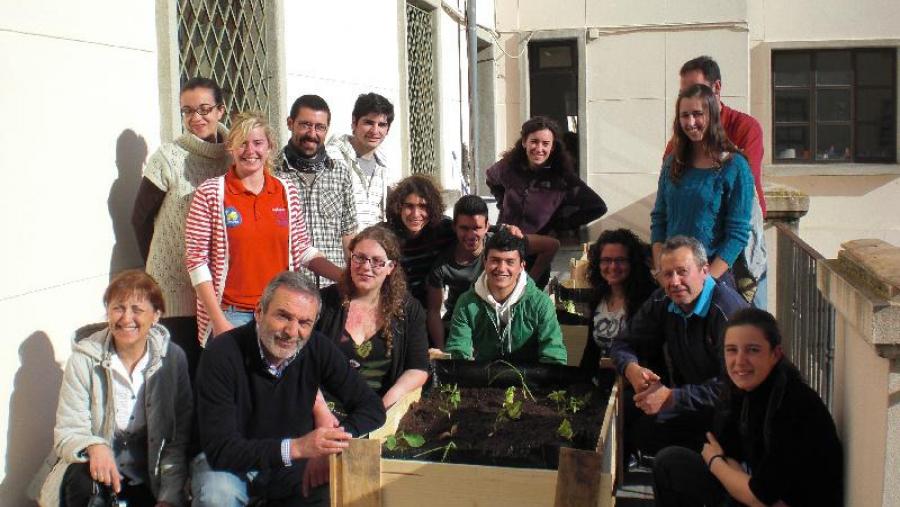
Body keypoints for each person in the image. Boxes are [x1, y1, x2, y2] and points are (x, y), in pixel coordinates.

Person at [191, 271, 386, 507]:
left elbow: (372, 408)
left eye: (304, 322)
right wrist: (298, 447)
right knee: (217, 494)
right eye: (283, 316)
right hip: (231, 465)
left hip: (291, 466)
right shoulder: (222, 354)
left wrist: (329, 444)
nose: (292, 331)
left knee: (337, 487)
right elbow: (221, 450)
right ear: (259, 312)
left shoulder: (316, 348)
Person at [653, 308, 843, 506]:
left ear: (776, 354)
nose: (740, 362)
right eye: (732, 350)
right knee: (670, 463)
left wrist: (714, 462)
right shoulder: (742, 389)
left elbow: (760, 495)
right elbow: (729, 450)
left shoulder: (794, 405)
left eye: (753, 350)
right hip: (760, 493)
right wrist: (733, 475)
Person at [34, 270, 192, 507]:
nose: (126, 318)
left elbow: (176, 440)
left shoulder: (173, 360)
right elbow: (68, 430)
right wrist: (93, 445)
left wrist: (168, 497)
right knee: (83, 482)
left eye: (137, 310)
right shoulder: (84, 359)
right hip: (94, 477)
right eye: (118, 308)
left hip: (148, 477)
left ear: (156, 315)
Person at [185, 112, 342, 345]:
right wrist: (218, 321)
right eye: (242, 144)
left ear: (269, 146)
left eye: (258, 143)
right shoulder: (211, 193)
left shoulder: (286, 192)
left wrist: (345, 277)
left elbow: (302, 250)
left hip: (279, 314)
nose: (251, 151)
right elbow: (196, 262)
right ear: (231, 148)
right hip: (231, 314)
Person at [610, 236, 748, 456]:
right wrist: (632, 369)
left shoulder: (728, 313)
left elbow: (737, 386)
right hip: (693, 403)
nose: (674, 282)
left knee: (663, 448)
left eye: (682, 272)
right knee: (630, 412)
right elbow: (622, 343)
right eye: (667, 274)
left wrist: (672, 398)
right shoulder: (663, 301)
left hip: (736, 416)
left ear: (705, 270)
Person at [131, 77, 230, 378]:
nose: (195, 118)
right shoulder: (168, 157)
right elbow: (140, 217)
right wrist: (159, 266)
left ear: (220, 111)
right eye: (187, 111)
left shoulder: (234, 156)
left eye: (204, 109)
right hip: (176, 288)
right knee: (180, 377)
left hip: (218, 290)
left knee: (214, 378)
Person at [664, 56, 768, 308]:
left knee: (747, 324)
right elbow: (665, 204)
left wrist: (708, 277)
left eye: (697, 90)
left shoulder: (745, 129)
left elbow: (742, 196)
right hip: (689, 263)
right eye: (684, 93)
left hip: (736, 255)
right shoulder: (676, 149)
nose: (691, 121)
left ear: (716, 90)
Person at [651, 84, 758, 296]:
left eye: (698, 114)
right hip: (673, 282)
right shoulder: (672, 162)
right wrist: (663, 271)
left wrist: (705, 283)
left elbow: (737, 235)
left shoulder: (735, 167)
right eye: (685, 115)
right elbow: (659, 219)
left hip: (712, 283)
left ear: (712, 116)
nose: (691, 123)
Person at [316, 225, 429, 409]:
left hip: (379, 407)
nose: (366, 267)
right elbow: (301, 364)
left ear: (391, 267)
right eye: (359, 258)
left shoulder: (409, 310)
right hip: (324, 411)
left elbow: (417, 368)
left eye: (377, 261)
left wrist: (382, 409)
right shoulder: (324, 303)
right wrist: (321, 412)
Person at [425, 195, 560, 348]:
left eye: (476, 228)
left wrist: (530, 281)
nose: (470, 235)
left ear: (487, 226)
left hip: (506, 319)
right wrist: (441, 350)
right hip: (464, 322)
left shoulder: (503, 243)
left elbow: (552, 245)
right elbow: (434, 312)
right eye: (464, 228)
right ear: (454, 227)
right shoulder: (442, 265)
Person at [445, 228, 568, 365]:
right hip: (482, 381)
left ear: (522, 266)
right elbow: (458, 353)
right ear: (484, 262)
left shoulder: (541, 303)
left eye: (510, 262)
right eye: (495, 260)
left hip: (531, 382)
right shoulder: (466, 303)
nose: (501, 268)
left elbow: (554, 355)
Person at [275, 94, 358, 287]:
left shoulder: (339, 172)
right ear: (290, 123)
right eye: (305, 124)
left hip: (333, 287)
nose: (312, 133)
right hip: (289, 288)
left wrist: (354, 282)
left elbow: (349, 235)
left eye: (320, 127)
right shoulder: (271, 173)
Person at [486, 116, 606, 236]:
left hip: (537, 247)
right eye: (534, 142)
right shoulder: (508, 167)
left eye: (545, 144)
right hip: (505, 243)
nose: (539, 149)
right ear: (524, 142)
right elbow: (491, 178)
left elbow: (597, 207)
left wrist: (562, 224)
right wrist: (502, 204)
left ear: (552, 146)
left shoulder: (562, 178)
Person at [578, 228, 656, 373]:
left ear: (633, 263)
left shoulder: (648, 301)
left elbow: (650, 353)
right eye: (606, 260)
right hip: (602, 384)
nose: (613, 267)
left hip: (636, 385)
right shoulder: (598, 297)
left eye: (620, 260)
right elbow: (591, 350)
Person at [326, 92, 394, 229]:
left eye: (381, 125)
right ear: (354, 122)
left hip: (371, 247)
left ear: (388, 129)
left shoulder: (383, 165)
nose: (375, 131)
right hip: (338, 248)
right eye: (368, 123)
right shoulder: (331, 157)